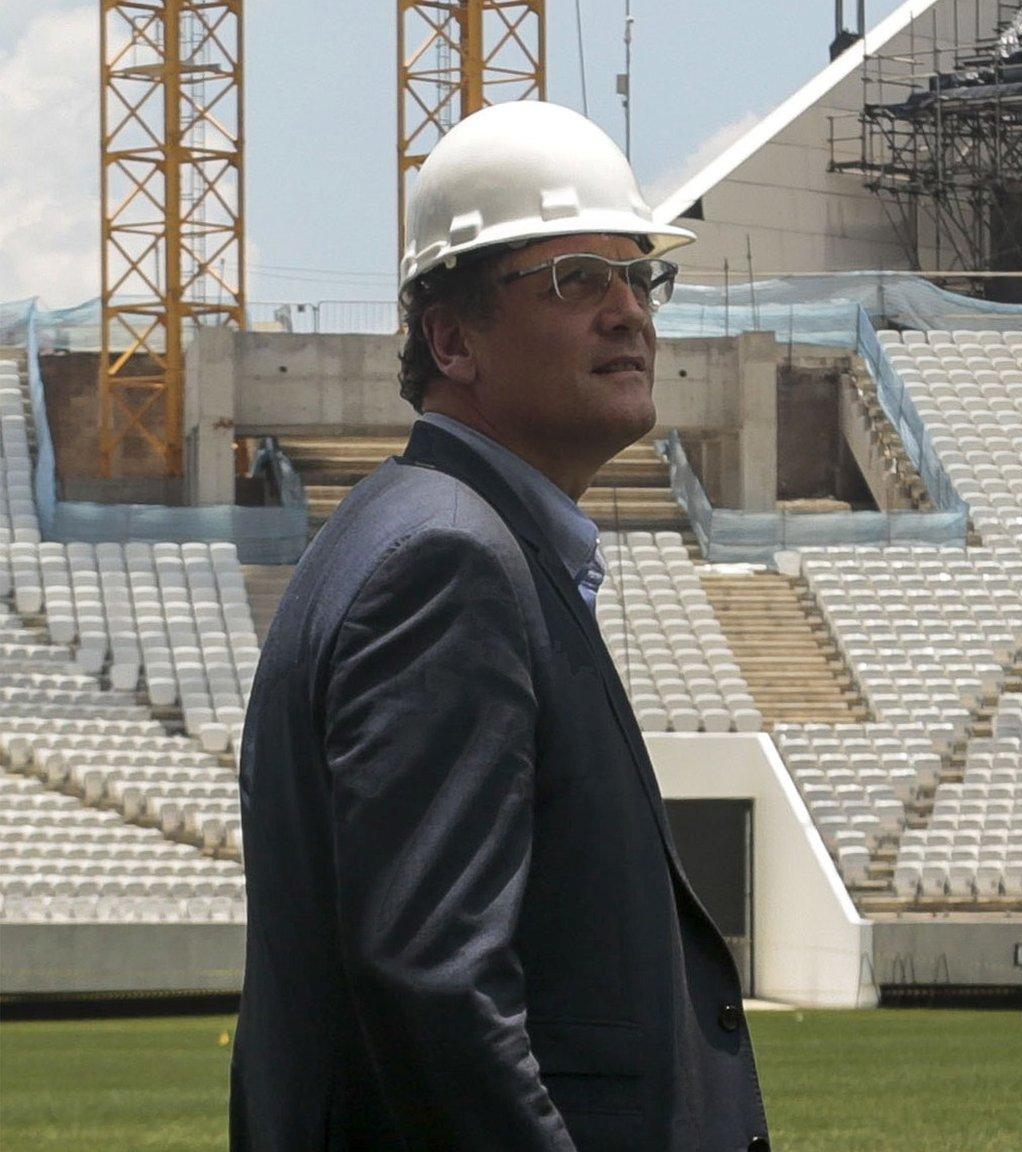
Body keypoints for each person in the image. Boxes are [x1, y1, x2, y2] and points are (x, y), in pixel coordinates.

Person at [230, 101, 771, 1152]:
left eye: (638, 275)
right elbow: (436, 987)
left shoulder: (417, 535)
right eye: (577, 279)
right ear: (451, 337)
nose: (629, 311)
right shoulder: (449, 563)